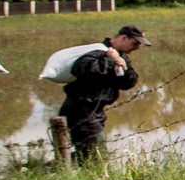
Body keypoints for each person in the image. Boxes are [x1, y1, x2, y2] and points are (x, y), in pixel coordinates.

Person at [57, 25, 149, 162]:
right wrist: (110, 60)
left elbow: (128, 83)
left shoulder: (121, 56)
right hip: (81, 109)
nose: (136, 48)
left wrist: (123, 66)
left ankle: (60, 167)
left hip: (97, 111)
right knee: (98, 157)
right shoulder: (97, 51)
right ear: (124, 38)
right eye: (135, 43)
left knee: (89, 154)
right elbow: (81, 69)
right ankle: (52, 169)